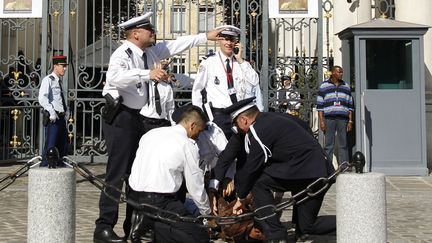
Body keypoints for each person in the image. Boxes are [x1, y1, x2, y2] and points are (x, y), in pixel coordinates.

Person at [95, 12, 223, 243]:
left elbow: (177, 44)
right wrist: (147, 73)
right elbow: (114, 77)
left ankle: (133, 226)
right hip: (121, 117)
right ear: (135, 34)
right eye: (149, 30)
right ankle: (104, 227)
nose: (154, 33)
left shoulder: (151, 52)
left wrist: (207, 35)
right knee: (116, 174)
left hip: (137, 117)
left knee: (135, 176)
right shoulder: (122, 53)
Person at [226, 97, 336, 241]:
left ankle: (276, 234)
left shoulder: (258, 130)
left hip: (311, 174)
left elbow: (252, 166)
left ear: (244, 120)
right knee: (305, 228)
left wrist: (241, 196)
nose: (237, 130)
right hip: (312, 170)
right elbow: (303, 127)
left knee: (257, 182)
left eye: (236, 125)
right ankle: (352, 222)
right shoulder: (271, 118)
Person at [127, 105, 211, 243]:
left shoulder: (151, 134)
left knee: (166, 229)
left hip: (134, 196)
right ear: (192, 125)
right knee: (199, 236)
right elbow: (195, 186)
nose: (199, 136)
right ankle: (150, 224)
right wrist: (207, 214)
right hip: (160, 200)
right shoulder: (187, 144)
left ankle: (148, 223)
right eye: (199, 131)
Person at [191, 24, 264, 138]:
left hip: (239, 115)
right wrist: (199, 115)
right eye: (225, 39)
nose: (229, 43)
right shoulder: (209, 62)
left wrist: (240, 59)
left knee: (241, 150)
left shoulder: (241, 63)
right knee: (221, 151)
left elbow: (254, 81)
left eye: (232, 39)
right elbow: (197, 90)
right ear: (219, 40)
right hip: (219, 115)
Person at [316, 65, 354, 165]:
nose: (341, 74)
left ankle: (344, 166)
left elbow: (350, 105)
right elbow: (320, 106)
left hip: (343, 119)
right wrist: (321, 121)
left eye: (341, 72)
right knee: (329, 145)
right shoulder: (324, 86)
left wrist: (350, 121)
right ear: (333, 73)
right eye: (339, 72)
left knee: (343, 144)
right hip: (329, 119)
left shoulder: (346, 86)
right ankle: (327, 167)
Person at [38, 56, 69, 167]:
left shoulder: (58, 81)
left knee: (62, 146)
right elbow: (42, 98)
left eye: (65, 66)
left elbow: (59, 99)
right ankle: (45, 170)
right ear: (55, 66)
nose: (65, 69)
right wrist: (51, 112)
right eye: (63, 66)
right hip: (53, 119)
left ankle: (60, 170)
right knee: (51, 146)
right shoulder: (48, 80)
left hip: (61, 118)